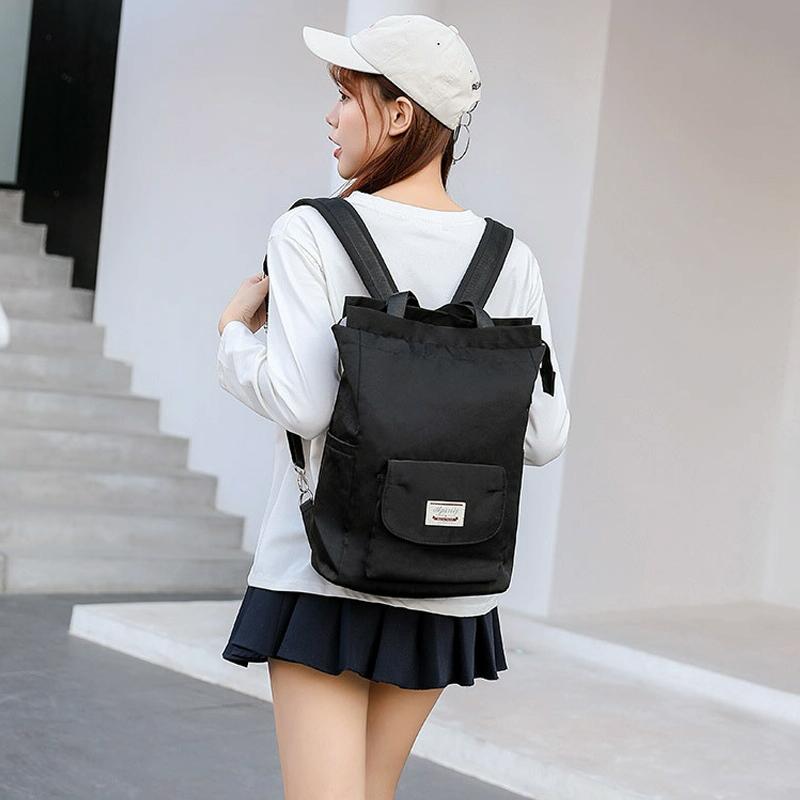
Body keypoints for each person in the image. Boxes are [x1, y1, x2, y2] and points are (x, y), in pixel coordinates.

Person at [216, 14, 570, 800]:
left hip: (327, 570)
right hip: (450, 571)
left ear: (401, 113)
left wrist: (233, 335)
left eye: (347, 96)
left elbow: (304, 404)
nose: (331, 115)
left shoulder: (311, 231)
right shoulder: (509, 258)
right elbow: (545, 436)